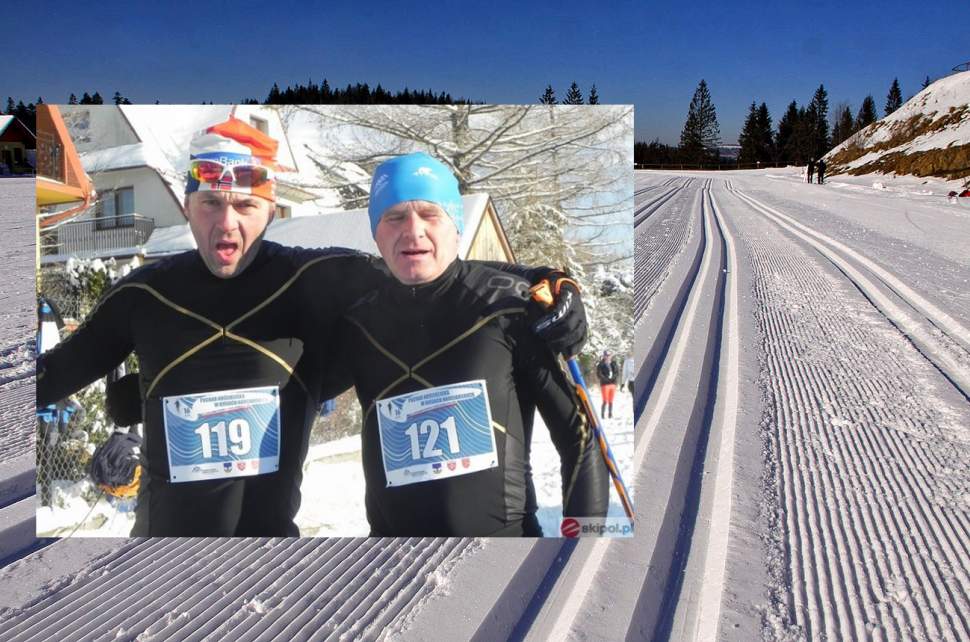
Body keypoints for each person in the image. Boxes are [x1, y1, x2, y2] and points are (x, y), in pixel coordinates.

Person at [38, 119, 587, 537]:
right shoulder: (142, 293)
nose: (226, 223)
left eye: (245, 205)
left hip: (273, 563)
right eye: (209, 204)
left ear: (272, 211)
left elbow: (429, 269)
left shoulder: (315, 277)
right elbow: (45, 377)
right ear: (186, 207)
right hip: (162, 557)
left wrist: (548, 282)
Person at [321, 152, 610, 536]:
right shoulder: (356, 322)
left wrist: (583, 546)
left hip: (504, 551)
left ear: (456, 225)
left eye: (430, 214)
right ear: (376, 231)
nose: (413, 231)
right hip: (391, 562)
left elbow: (581, 436)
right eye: (394, 217)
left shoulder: (508, 306)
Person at [596, 350, 618, 418]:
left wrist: (612, 378)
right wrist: (606, 379)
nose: (607, 357)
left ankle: (610, 414)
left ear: (611, 356)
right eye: (606, 355)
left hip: (613, 384)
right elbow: (599, 374)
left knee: (611, 401)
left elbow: (617, 373)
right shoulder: (601, 364)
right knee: (605, 400)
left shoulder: (614, 363)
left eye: (609, 355)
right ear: (604, 356)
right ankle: (602, 415)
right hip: (605, 384)